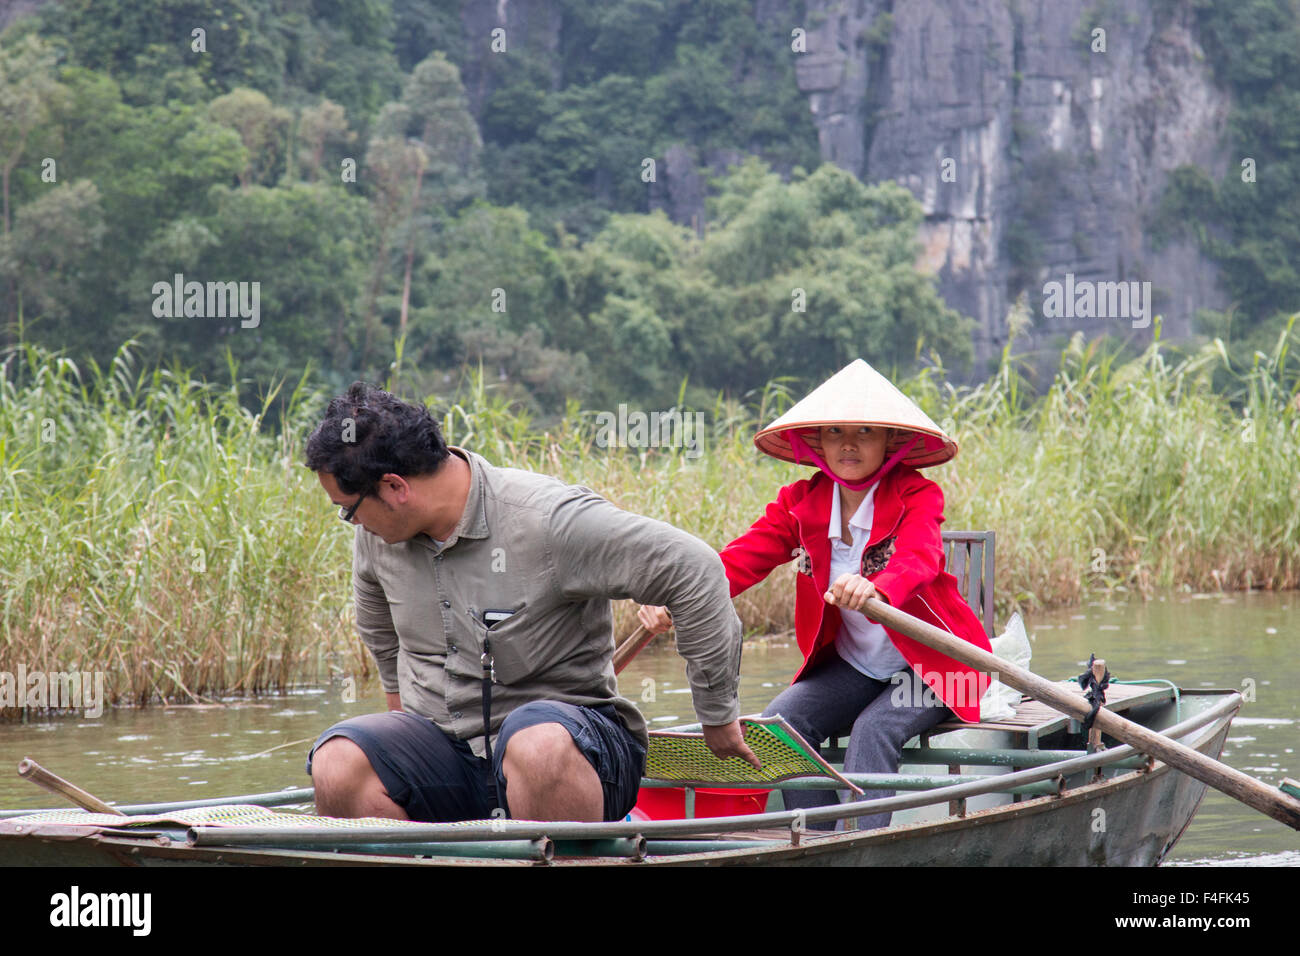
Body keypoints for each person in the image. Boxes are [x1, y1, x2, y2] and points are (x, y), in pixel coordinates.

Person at [302, 382, 758, 824]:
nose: (353, 522)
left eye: (349, 508)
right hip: (451, 756)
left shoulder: (549, 521)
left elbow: (693, 568)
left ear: (395, 488)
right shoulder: (379, 535)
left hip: (572, 750)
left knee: (535, 744)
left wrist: (717, 716)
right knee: (337, 761)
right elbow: (382, 633)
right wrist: (402, 730)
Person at [639, 358, 992, 830]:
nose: (848, 443)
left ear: (889, 443)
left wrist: (877, 588)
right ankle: (819, 839)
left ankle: (866, 845)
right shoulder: (800, 504)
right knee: (782, 723)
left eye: (865, 431)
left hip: (930, 666)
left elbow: (920, 556)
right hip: (858, 668)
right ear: (818, 443)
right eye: (833, 431)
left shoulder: (915, 494)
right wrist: (677, 601)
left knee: (874, 728)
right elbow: (742, 560)